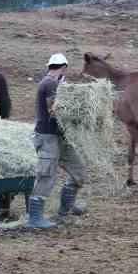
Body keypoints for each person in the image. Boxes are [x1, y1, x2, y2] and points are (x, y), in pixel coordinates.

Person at [27, 53, 89, 229]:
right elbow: (54, 110)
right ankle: (35, 218)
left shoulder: (57, 83)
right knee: (46, 176)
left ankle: (66, 209)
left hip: (60, 136)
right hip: (47, 137)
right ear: (63, 68)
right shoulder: (49, 84)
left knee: (79, 172)